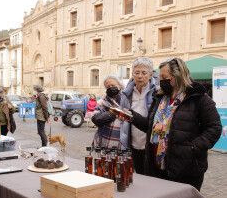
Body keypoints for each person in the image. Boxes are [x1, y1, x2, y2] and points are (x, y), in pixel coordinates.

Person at [123, 58, 222, 190]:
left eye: (165, 77)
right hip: (156, 166)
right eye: (160, 77)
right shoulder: (160, 98)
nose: (161, 81)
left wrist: (193, 147)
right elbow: (150, 127)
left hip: (185, 168)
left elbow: (214, 128)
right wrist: (130, 115)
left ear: (178, 76)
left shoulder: (199, 98)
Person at [120, 57, 157, 174]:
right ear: (132, 74)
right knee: (138, 175)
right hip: (133, 144)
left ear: (151, 75)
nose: (140, 76)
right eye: (137, 73)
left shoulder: (157, 92)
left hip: (151, 145)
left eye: (144, 73)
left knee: (151, 178)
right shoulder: (127, 93)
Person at [91, 75, 123, 150]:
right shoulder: (102, 102)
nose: (111, 88)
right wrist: (115, 112)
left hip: (122, 145)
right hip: (104, 141)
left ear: (120, 85)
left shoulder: (127, 100)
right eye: (108, 87)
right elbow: (96, 119)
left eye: (113, 85)